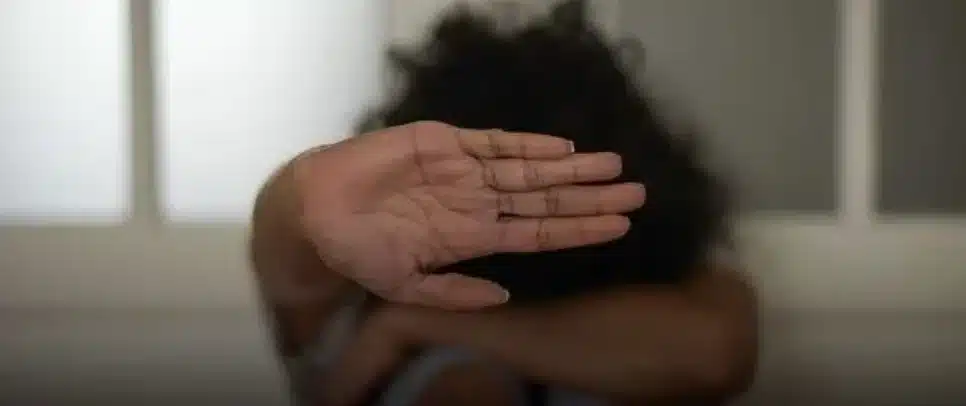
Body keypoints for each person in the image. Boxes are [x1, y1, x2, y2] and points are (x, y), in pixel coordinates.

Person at [249, 1, 759, 405]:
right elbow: (292, 211)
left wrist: (417, 325)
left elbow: (716, 352)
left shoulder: (672, 281)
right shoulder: (352, 299)